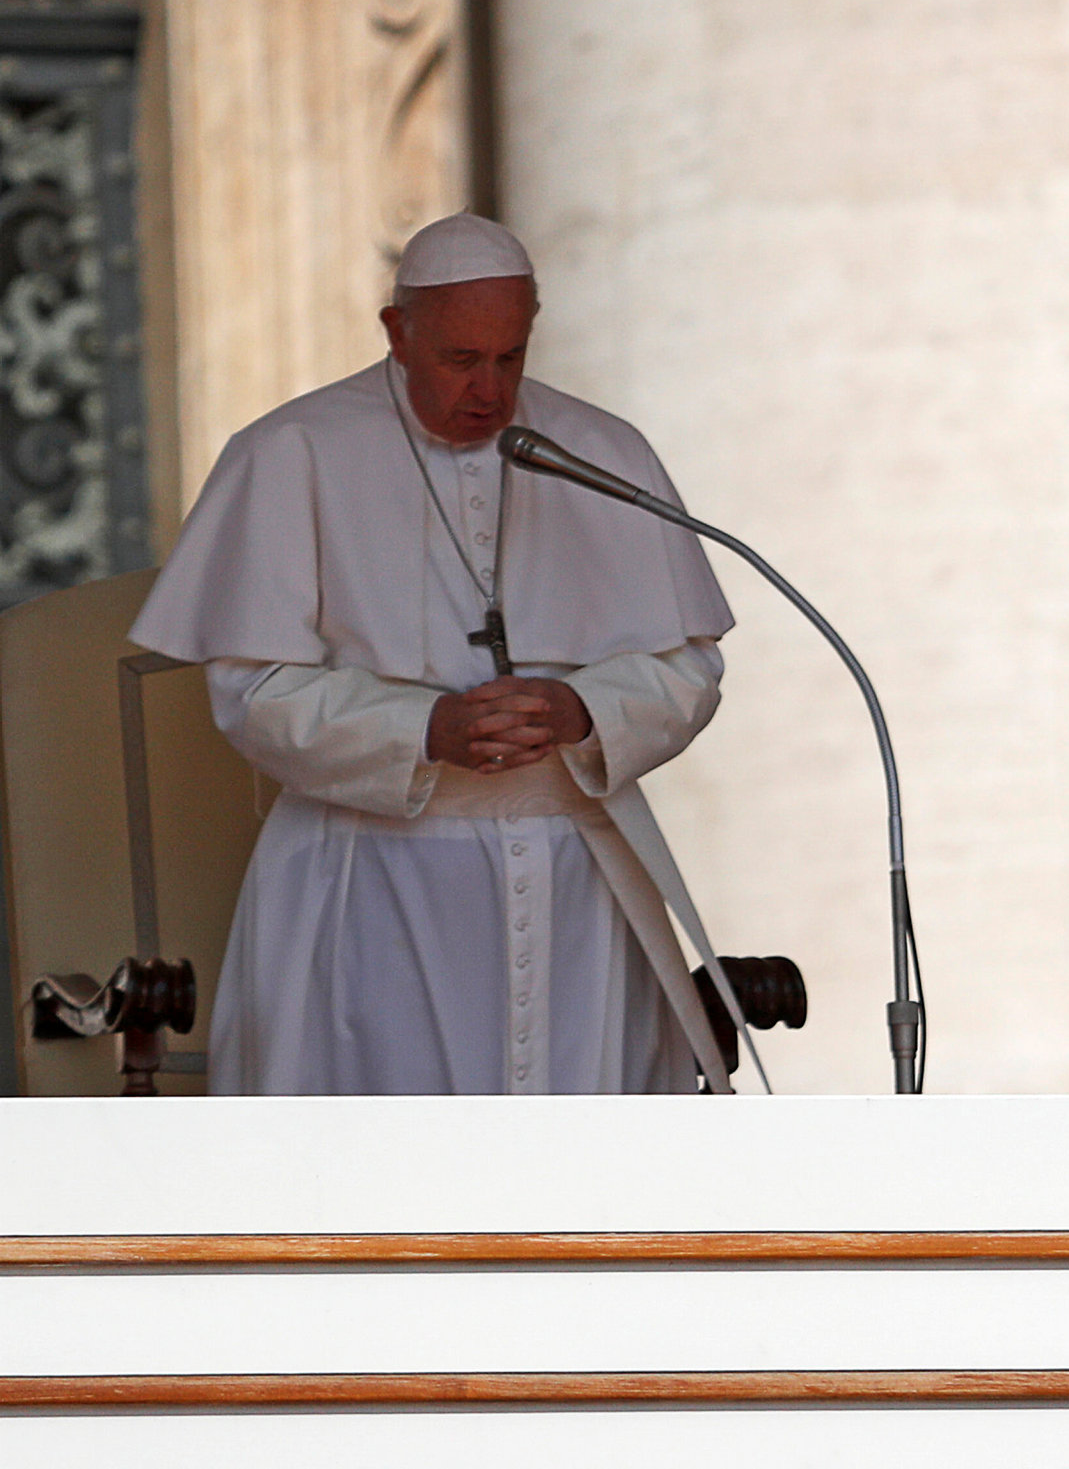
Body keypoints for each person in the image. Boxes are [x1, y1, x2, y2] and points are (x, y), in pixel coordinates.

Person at [133, 214, 748, 1094]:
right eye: (462, 359)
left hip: (575, 878)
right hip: (367, 879)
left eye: (510, 357)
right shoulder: (290, 452)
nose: (489, 391)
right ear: (398, 332)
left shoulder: (603, 451)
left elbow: (689, 667)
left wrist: (582, 710)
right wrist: (423, 726)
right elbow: (251, 691)